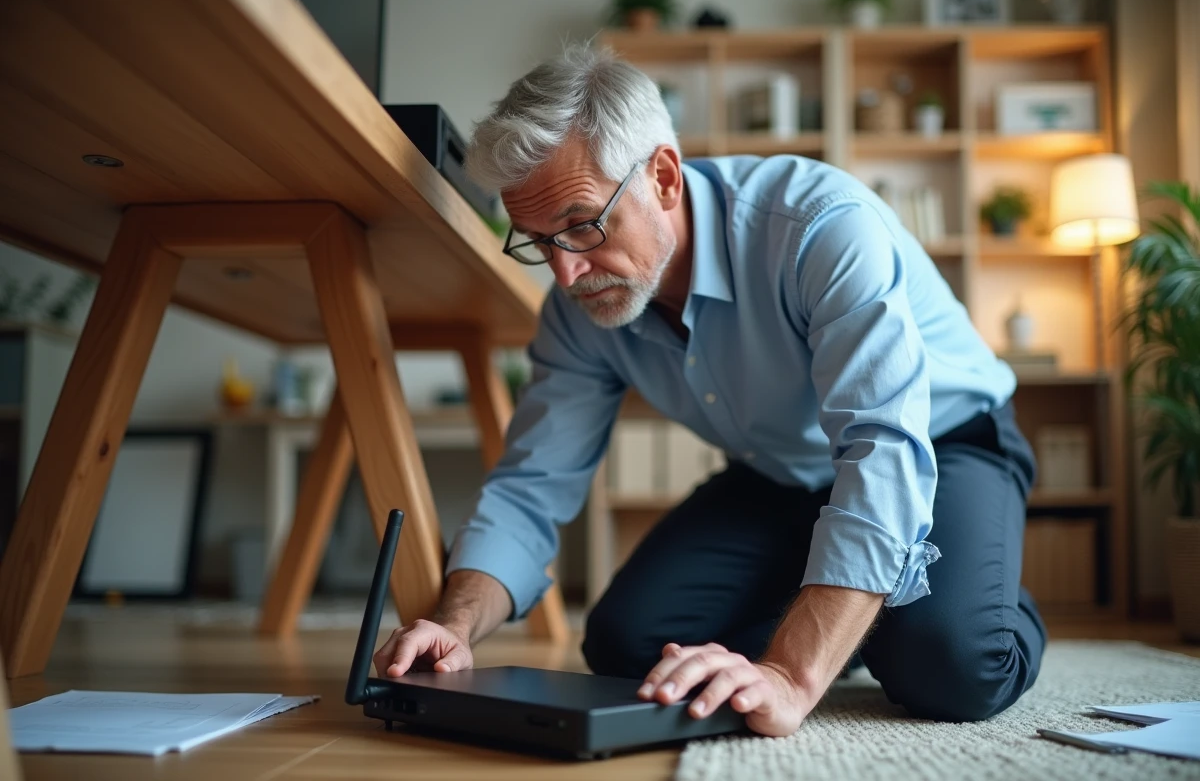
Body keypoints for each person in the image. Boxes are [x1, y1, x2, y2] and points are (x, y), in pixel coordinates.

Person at [372, 45, 1045, 737]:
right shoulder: (578, 311)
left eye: (582, 225)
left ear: (663, 177)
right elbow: (530, 486)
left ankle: (975, 592)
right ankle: (851, 605)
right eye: (540, 243)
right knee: (630, 646)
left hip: (940, 446)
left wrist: (791, 673)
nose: (566, 274)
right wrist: (454, 627)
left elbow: (882, 449)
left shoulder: (821, 227)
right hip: (779, 474)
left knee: (949, 663)